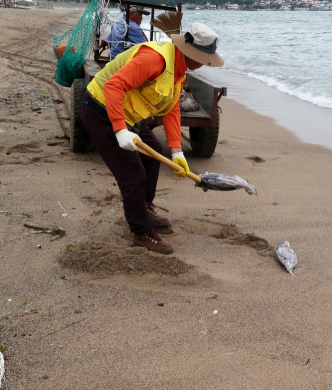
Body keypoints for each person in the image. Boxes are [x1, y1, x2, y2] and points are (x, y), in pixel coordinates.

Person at [81, 22, 225, 254]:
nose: (206, 63)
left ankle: (145, 208)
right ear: (192, 53)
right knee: (133, 174)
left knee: (152, 155)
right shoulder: (155, 59)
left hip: (129, 114)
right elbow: (113, 85)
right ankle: (141, 231)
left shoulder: (178, 66)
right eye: (205, 58)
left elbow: (171, 109)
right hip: (101, 109)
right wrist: (119, 130)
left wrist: (177, 151)